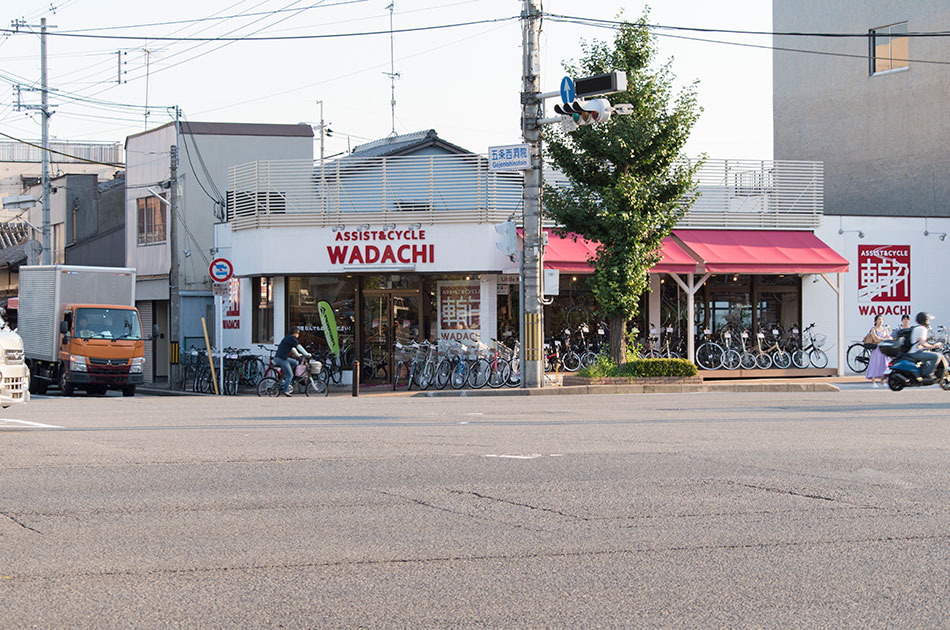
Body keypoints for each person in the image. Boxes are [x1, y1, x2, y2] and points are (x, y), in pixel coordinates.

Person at [274, 326, 311, 396]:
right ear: (295, 333)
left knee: (295, 362)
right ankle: (285, 390)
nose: (298, 335)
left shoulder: (287, 337)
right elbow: (299, 346)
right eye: (298, 333)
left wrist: (297, 355)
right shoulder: (292, 338)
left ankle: (288, 380)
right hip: (282, 359)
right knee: (289, 375)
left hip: (279, 358)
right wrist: (306, 354)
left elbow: (292, 348)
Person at [908, 312, 943, 383]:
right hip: (915, 353)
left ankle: (922, 372)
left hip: (912, 352)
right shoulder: (922, 329)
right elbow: (922, 343)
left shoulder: (916, 328)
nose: (929, 321)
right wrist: (933, 346)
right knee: (937, 356)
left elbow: (919, 343)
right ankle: (928, 375)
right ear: (925, 320)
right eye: (928, 320)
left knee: (927, 354)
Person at [864, 315, 890, 388]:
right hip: (876, 349)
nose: (881, 321)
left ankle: (883, 381)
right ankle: (873, 381)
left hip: (884, 349)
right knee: (875, 364)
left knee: (884, 364)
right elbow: (875, 339)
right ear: (875, 321)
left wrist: (882, 339)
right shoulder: (873, 329)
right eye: (879, 319)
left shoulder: (885, 329)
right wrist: (884, 339)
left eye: (882, 319)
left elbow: (888, 337)